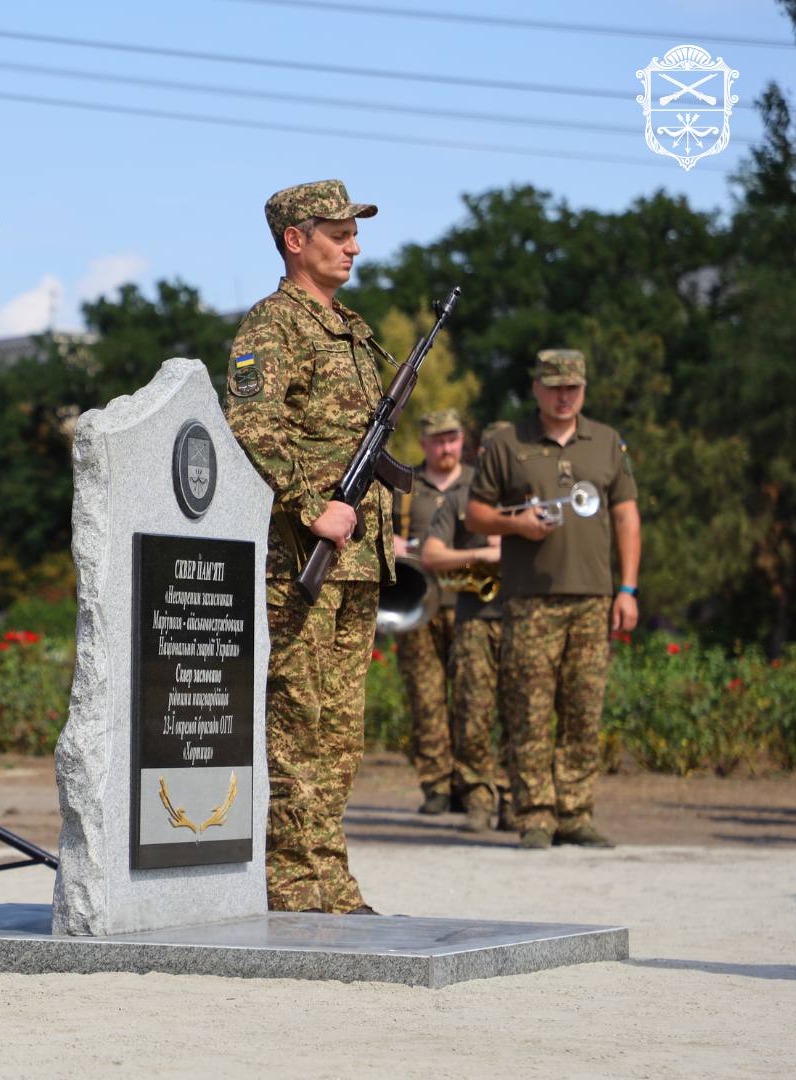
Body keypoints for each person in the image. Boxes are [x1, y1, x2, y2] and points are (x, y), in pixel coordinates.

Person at [224, 179, 393, 914]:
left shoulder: (353, 329)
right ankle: (293, 881)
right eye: (338, 232)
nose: (354, 244)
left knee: (342, 731)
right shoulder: (273, 326)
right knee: (300, 721)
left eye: (354, 231)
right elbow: (252, 426)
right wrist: (308, 507)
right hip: (303, 561)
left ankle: (331, 876)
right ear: (296, 239)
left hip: (360, 562)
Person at [465, 350, 640, 850]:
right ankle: (535, 815)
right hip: (529, 601)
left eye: (574, 388)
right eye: (555, 387)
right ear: (537, 388)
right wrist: (514, 524)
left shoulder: (606, 442)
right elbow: (476, 514)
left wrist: (627, 587)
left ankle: (576, 813)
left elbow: (626, 515)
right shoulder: (507, 443)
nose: (564, 396)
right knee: (529, 711)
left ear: (583, 389)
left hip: (592, 598)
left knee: (585, 709)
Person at [422, 421, 510, 834]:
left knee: (523, 715)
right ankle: (477, 799)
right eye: (490, 452)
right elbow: (433, 556)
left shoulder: (536, 499)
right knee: (473, 714)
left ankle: (515, 800)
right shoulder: (460, 498)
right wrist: (481, 557)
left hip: (524, 616)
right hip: (475, 615)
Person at [391, 410, 468, 814]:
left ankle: (472, 783)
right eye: (438, 440)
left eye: (452, 438)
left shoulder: (478, 483)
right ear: (424, 444)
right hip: (418, 604)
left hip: (468, 604)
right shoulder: (406, 485)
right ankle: (436, 786)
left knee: (473, 700)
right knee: (426, 699)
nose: (446, 447)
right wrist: (393, 541)